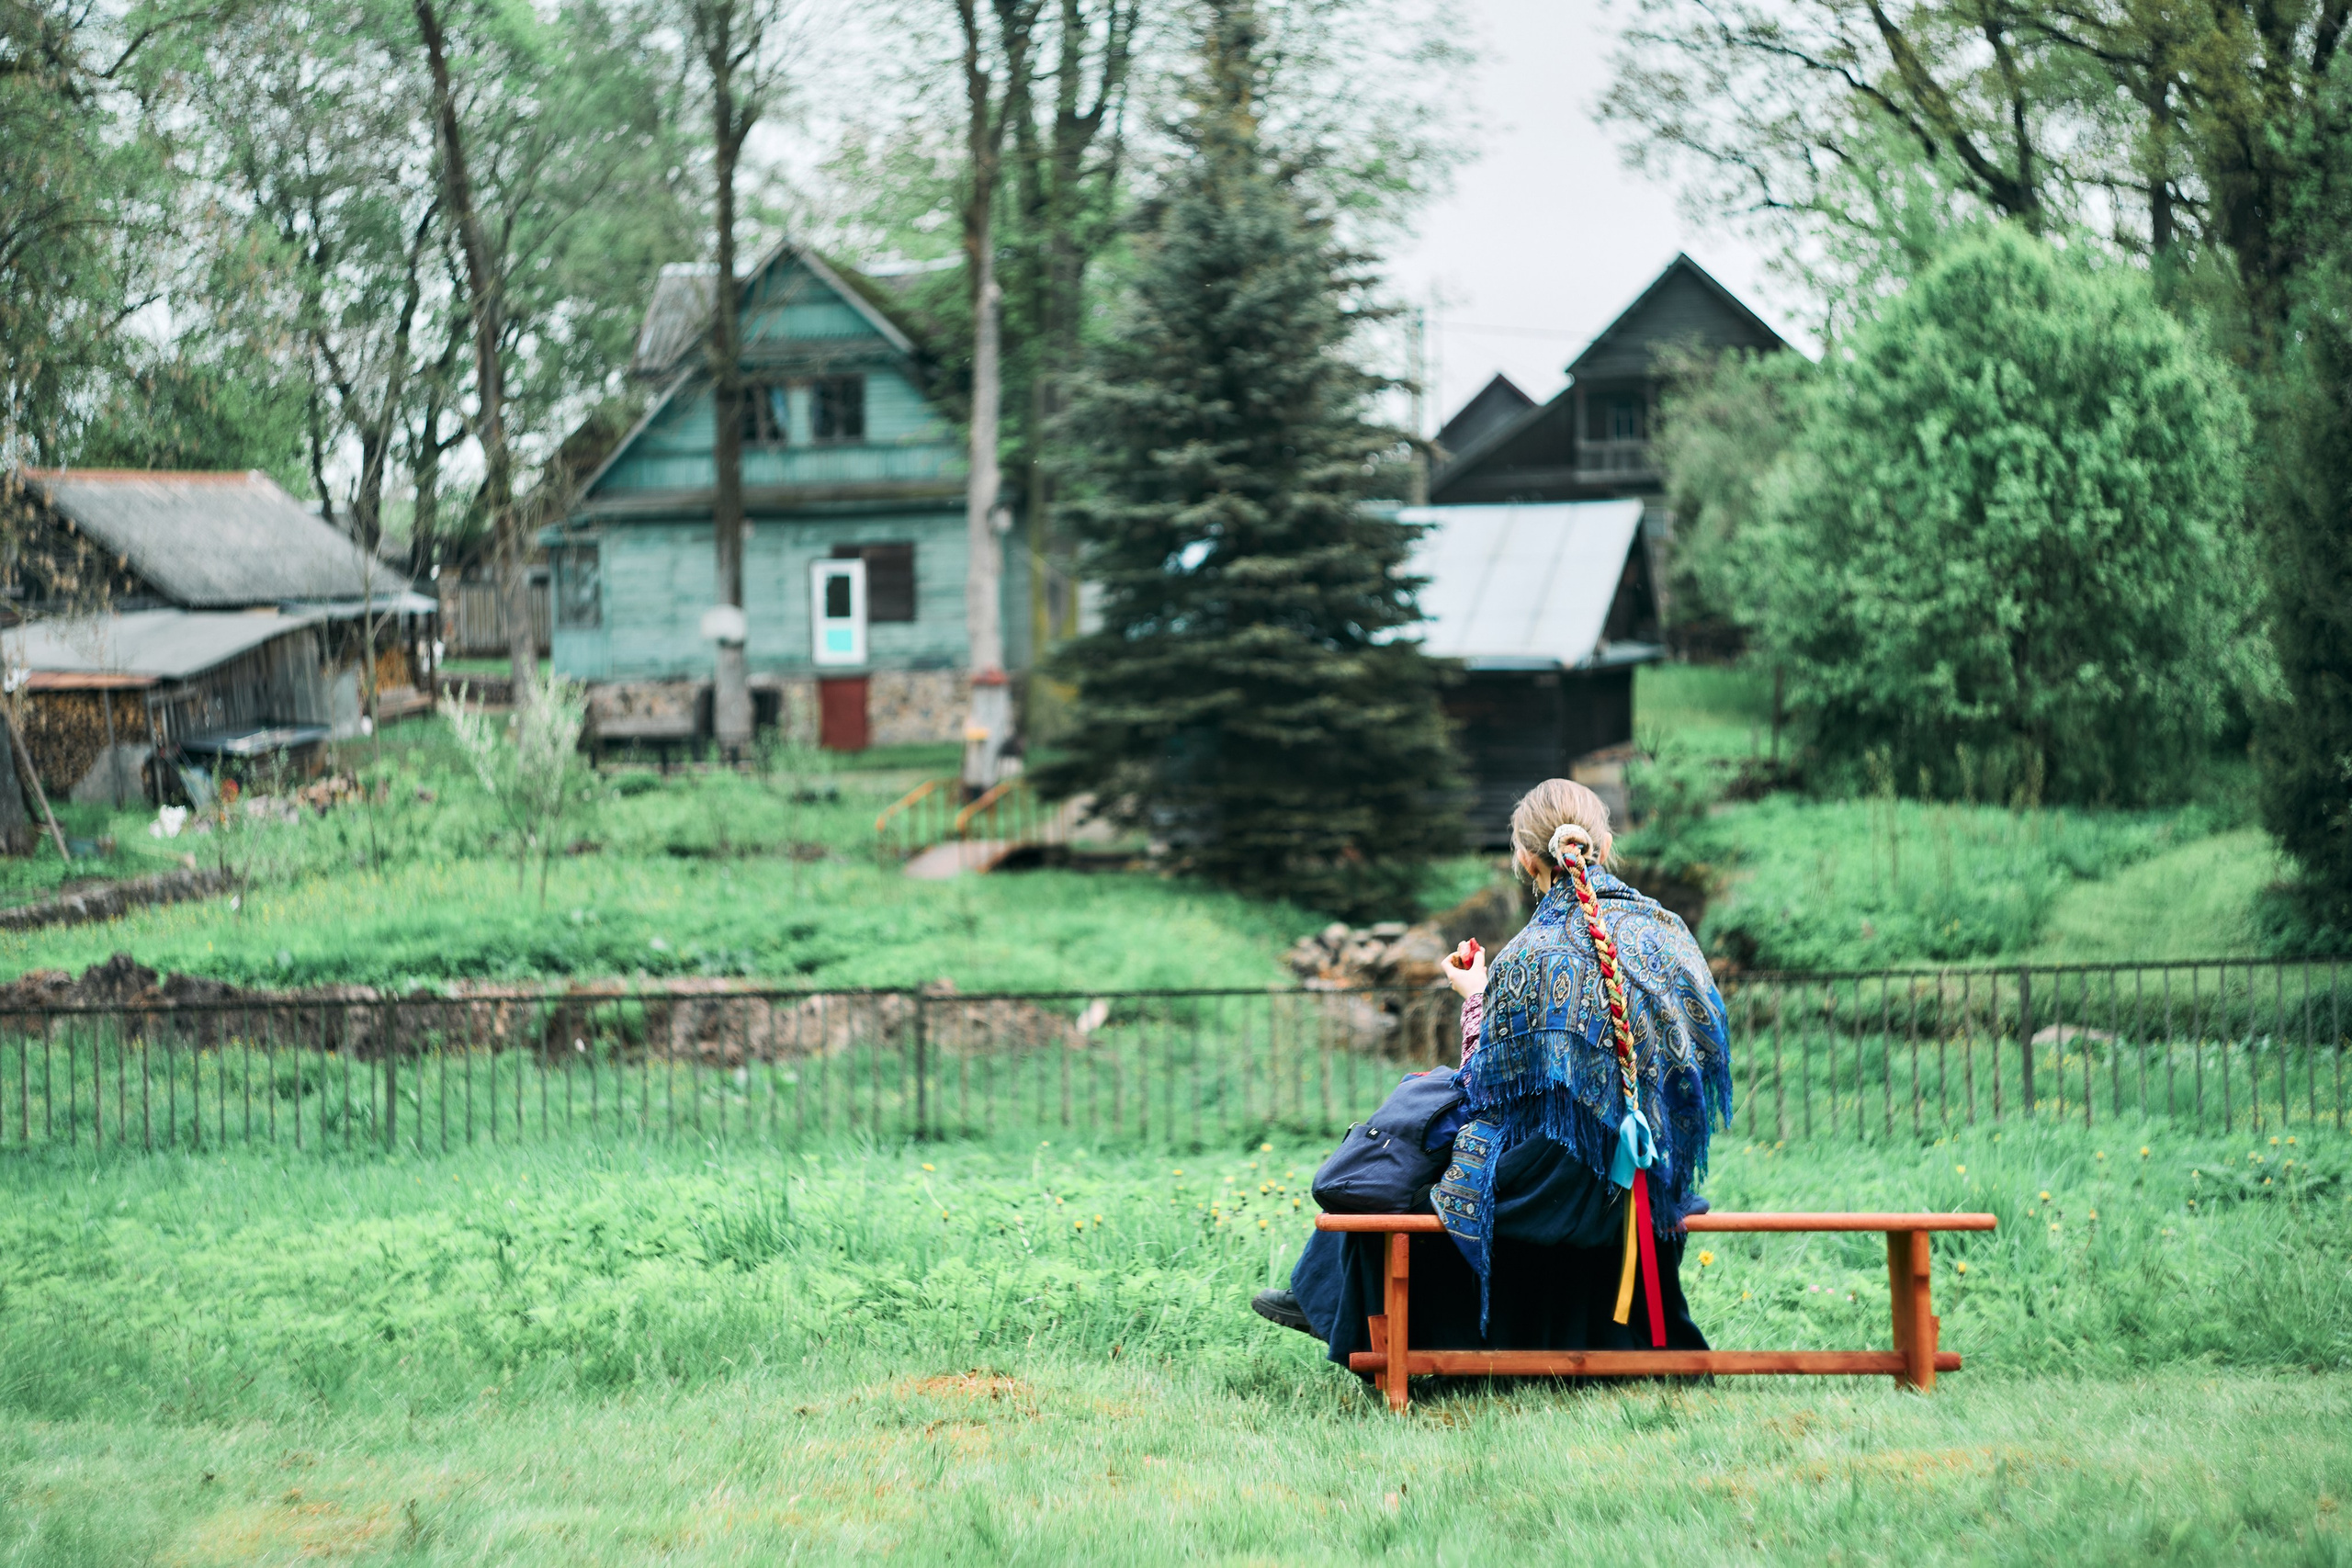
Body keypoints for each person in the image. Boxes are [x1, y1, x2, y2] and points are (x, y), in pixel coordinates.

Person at [1253, 778, 1734, 1373]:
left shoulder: (1529, 955)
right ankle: (1319, 1293)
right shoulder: (1670, 933)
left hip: (1554, 1186)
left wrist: (1475, 995)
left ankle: (1330, 1300)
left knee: (1418, 1130)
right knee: (1427, 1115)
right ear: (1603, 845)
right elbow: (1701, 1059)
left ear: (1527, 859)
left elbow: (1489, 1089)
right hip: (1646, 1177)